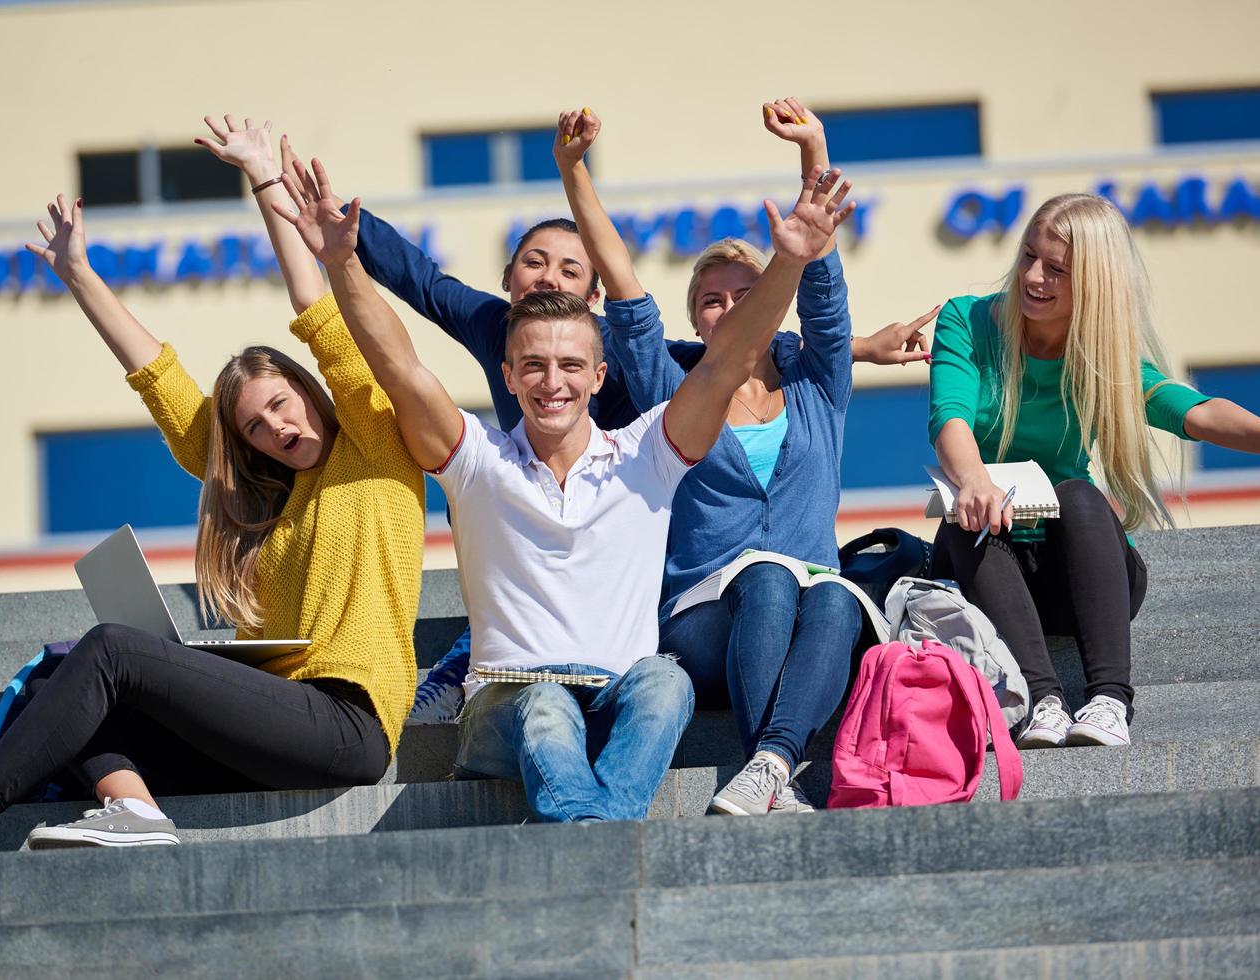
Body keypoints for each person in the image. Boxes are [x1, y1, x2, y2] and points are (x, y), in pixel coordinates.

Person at [0, 116, 423, 862]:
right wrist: (79, 274)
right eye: (257, 427)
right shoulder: (270, 500)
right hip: (275, 724)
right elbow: (162, 383)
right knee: (53, 690)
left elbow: (321, 317)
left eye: (281, 404)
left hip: (344, 722)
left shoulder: (375, 446)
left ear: (308, 388)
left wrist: (263, 179)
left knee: (109, 651)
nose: (275, 428)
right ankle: (133, 813)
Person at [272, 152, 854, 822]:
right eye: (534, 366)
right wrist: (343, 263)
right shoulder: (476, 461)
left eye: (571, 365)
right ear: (509, 376)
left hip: (617, 701)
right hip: (508, 707)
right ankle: (597, 835)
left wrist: (789, 264)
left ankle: (584, 830)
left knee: (665, 680)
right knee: (546, 701)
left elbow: (724, 364)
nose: (554, 382)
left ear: (600, 376)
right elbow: (397, 366)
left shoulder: (646, 456)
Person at [554, 104, 926, 816]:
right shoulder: (671, 387)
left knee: (833, 593)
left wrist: (811, 148)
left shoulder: (820, 381)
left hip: (810, 619)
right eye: (710, 301)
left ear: (772, 300)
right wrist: (574, 171)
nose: (727, 308)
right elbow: (623, 285)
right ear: (695, 321)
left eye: (745, 293)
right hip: (704, 617)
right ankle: (774, 763)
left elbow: (822, 290)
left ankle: (769, 765)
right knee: (767, 577)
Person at [927, 192, 1260, 749]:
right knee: (965, 520)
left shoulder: (1104, 351)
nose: (1033, 276)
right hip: (990, 570)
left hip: (1077, 573)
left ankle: (1109, 701)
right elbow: (949, 417)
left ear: (1095, 280)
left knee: (1081, 494)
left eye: (1056, 269)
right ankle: (1044, 700)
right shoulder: (967, 320)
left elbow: (1193, 412)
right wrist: (976, 479)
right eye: (1030, 255)